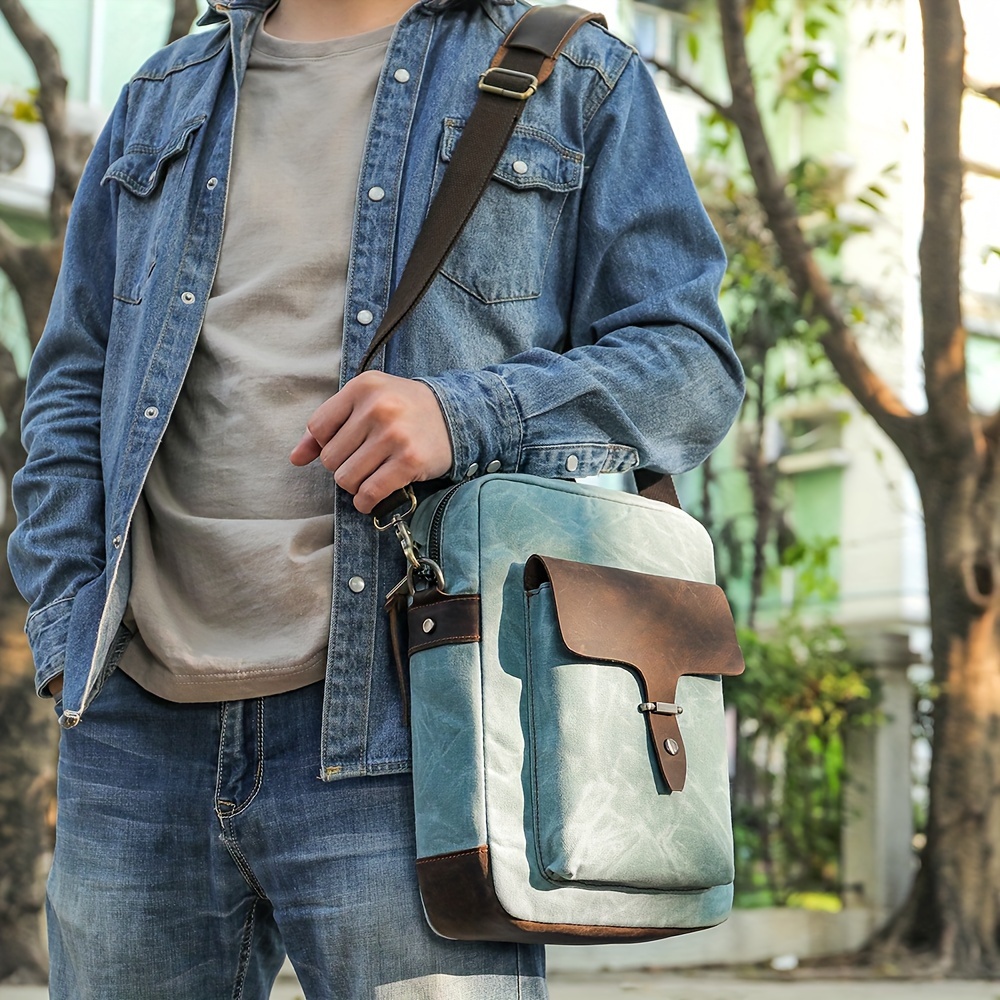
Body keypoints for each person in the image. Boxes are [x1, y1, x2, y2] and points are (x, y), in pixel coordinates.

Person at [8, 0, 745, 996]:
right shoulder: (160, 98)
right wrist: (66, 626)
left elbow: (690, 366)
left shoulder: (577, 78)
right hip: (139, 732)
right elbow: (71, 383)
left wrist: (464, 413)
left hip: (414, 728)